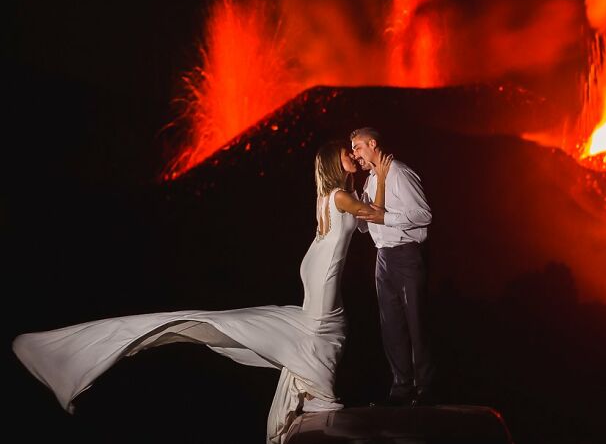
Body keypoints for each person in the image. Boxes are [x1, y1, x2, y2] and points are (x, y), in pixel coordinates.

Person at [12, 140, 393, 444]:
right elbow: (375, 215)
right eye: (347, 152)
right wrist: (381, 171)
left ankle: (134, 342)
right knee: (323, 334)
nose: (352, 155)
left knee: (312, 334)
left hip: (316, 272)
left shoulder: (329, 196)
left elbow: (359, 224)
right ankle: (318, 394)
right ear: (332, 161)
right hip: (322, 278)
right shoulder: (341, 198)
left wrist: (366, 178)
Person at [350, 127, 435, 406]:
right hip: (382, 258)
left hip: (406, 255)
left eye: (358, 147)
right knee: (391, 327)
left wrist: (384, 217)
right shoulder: (371, 180)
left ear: (373, 144)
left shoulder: (398, 172)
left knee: (415, 323)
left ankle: (425, 389)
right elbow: (365, 224)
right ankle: (401, 389)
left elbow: (424, 214)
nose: (355, 154)